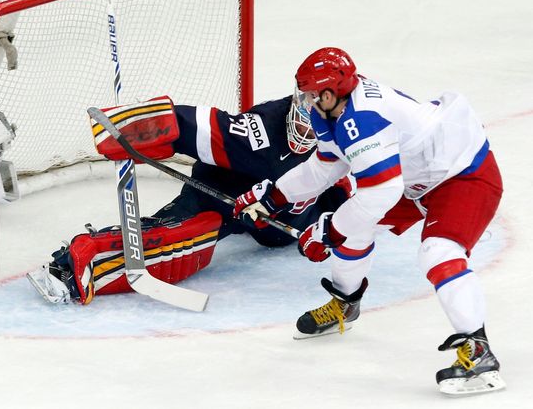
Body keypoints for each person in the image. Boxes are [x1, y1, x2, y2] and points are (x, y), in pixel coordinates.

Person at [233, 47, 505, 395]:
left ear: (330, 93)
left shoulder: (363, 119)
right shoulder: (331, 109)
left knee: (438, 253)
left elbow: (380, 194)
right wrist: (273, 197)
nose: (304, 101)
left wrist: (328, 232)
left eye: (310, 94)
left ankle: (479, 352)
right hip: (413, 176)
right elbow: (325, 167)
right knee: (354, 229)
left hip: (462, 174)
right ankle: (346, 304)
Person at [28, 95, 351, 305]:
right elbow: (192, 125)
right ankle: (76, 265)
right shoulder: (261, 132)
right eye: (304, 122)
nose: (308, 134)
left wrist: (340, 222)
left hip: (282, 218)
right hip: (226, 191)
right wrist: (130, 128)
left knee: (290, 232)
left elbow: (365, 184)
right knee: (183, 236)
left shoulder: (352, 135)